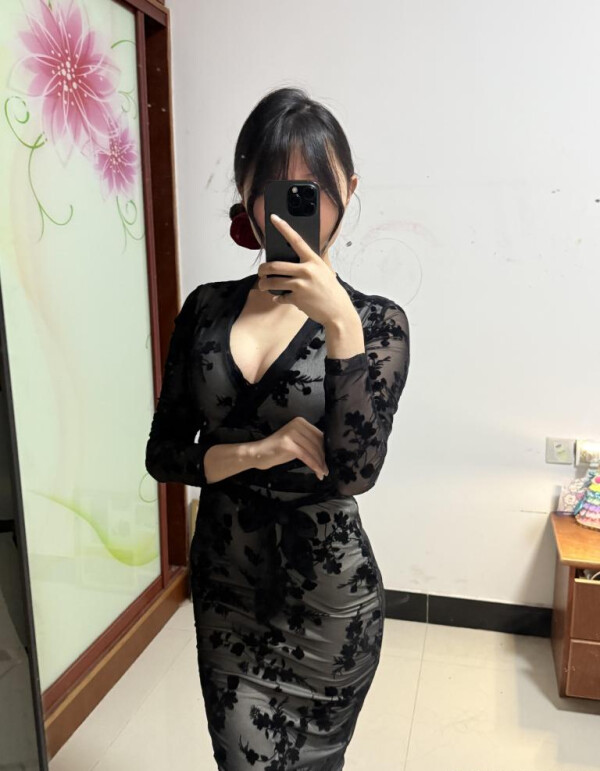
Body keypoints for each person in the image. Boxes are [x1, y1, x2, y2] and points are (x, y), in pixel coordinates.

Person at [145, 86, 410, 771]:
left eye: (312, 190)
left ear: (348, 191)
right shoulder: (206, 310)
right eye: (273, 188)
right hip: (227, 590)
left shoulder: (376, 323)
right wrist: (257, 451)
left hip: (329, 607)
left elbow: (355, 472)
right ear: (244, 192)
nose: (294, 207)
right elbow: (164, 454)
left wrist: (340, 322)